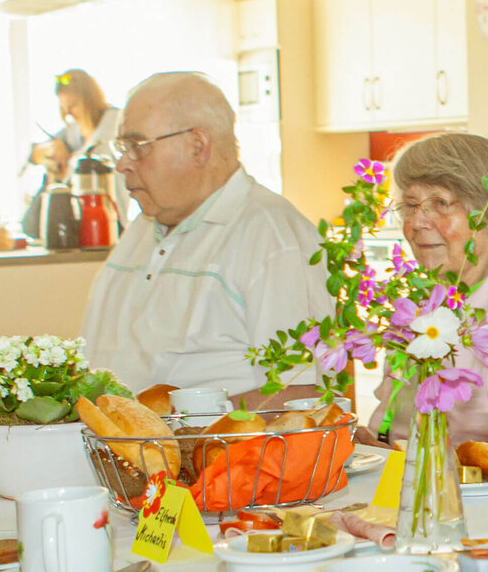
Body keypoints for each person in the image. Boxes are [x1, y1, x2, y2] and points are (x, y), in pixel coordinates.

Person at [80, 71, 333, 408]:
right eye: (122, 149)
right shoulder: (142, 227)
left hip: (209, 458)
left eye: (137, 146)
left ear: (197, 145)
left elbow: (297, 393)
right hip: (114, 453)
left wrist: (168, 428)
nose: (123, 164)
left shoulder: (273, 236)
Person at [359, 133, 488, 447]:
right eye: (411, 206)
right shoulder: (419, 303)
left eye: (440, 204)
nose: (418, 223)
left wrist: (408, 465)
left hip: (468, 494)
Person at [27, 69, 132, 227]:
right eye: (64, 108)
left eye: (72, 106)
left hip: (110, 218)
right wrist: (54, 148)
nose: (68, 113)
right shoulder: (73, 131)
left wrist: (69, 163)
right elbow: (33, 154)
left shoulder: (115, 123)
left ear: (90, 100)